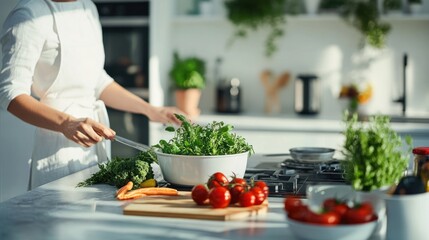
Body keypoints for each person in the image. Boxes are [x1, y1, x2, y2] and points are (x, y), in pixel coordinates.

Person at [0, 0, 183, 189]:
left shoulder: (88, 7)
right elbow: (10, 93)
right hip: (57, 145)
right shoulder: (29, 14)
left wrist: (150, 110)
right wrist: (66, 124)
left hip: (94, 143)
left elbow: (96, 81)